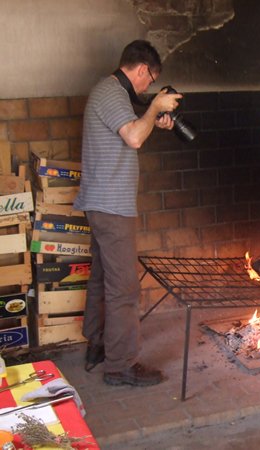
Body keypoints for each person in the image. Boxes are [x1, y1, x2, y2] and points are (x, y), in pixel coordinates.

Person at [74, 40, 183, 387]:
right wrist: (153, 109)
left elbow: (131, 133)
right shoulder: (111, 93)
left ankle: (99, 344)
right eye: (149, 80)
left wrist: (155, 119)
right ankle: (120, 366)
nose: (148, 87)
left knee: (102, 277)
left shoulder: (113, 94)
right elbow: (134, 138)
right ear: (141, 70)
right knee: (124, 289)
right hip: (111, 206)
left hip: (103, 203)